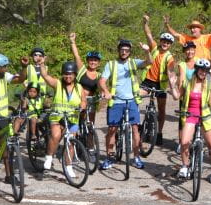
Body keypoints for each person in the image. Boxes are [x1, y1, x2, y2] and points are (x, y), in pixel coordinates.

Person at [167, 58, 211, 184]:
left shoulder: (209, 85)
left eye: (206, 70)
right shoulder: (187, 83)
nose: (203, 72)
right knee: (184, 142)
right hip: (190, 115)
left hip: (205, 116)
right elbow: (176, 97)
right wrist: (172, 85)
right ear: (196, 69)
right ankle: (185, 166)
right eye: (201, 69)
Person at [98, 39, 147, 170]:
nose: (124, 52)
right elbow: (102, 80)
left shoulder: (133, 63)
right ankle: (109, 157)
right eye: (122, 50)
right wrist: (106, 91)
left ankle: (136, 157)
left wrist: (147, 51)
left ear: (130, 52)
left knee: (135, 128)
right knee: (112, 130)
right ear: (119, 50)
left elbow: (150, 62)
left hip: (131, 101)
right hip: (116, 101)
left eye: (127, 50)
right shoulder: (111, 64)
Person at [40, 61, 87, 176]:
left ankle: (69, 166)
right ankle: (49, 157)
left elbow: (84, 100)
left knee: (70, 143)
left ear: (75, 74)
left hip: (72, 118)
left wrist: (82, 105)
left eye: (70, 74)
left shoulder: (79, 87)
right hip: (57, 116)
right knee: (56, 136)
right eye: (65, 74)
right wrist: (42, 64)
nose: (68, 76)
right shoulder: (58, 84)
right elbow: (45, 76)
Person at [140, 14, 176, 147]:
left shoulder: (169, 57)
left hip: (161, 84)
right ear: (160, 41)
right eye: (163, 41)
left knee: (161, 109)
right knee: (134, 98)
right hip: (148, 81)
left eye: (168, 42)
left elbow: (171, 71)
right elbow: (148, 35)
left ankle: (159, 133)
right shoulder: (154, 48)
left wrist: (173, 86)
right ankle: (135, 125)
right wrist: (145, 23)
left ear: (170, 45)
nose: (165, 44)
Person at [69, 32, 101, 124]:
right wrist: (72, 41)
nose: (93, 62)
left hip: (91, 101)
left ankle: (90, 138)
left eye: (95, 60)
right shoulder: (82, 69)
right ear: (87, 61)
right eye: (91, 60)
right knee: (76, 123)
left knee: (90, 124)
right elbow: (76, 55)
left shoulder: (100, 75)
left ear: (99, 63)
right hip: (78, 99)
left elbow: (102, 88)